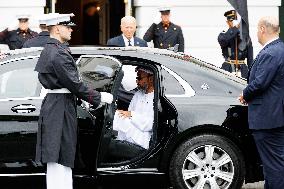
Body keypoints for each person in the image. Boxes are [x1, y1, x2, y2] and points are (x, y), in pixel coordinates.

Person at [34, 13, 113, 189]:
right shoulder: (58, 53)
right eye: (68, 26)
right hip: (60, 105)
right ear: (56, 28)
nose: (71, 29)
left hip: (58, 103)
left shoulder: (53, 49)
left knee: (60, 152)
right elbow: (75, 84)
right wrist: (98, 98)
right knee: (59, 153)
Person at [238, 16, 284, 188]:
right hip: (275, 116)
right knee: (275, 163)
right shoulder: (280, 49)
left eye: (257, 29)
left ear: (263, 29)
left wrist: (245, 94)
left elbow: (259, 83)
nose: (256, 33)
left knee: (273, 166)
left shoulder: (270, 52)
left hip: (268, 119)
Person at [113, 67, 154, 149]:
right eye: (136, 78)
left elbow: (150, 125)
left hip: (143, 137)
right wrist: (125, 114)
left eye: (139, 78)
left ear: (151, 79)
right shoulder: (138, 94)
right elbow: (129, 115)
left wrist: (131, 115)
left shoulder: (155, 98)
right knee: (114, 114)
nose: (137, 81)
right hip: (132, 129)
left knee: (117, 117)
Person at [218, 10, 249, 78]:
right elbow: (224, 41)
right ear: (228, 22)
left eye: (236, 21)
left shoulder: (244, 36)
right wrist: (234, 29)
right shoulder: (223, 35)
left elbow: (250, 56)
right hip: (228, 67)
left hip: (242, 68)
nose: (234, 22)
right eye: (232, 20)